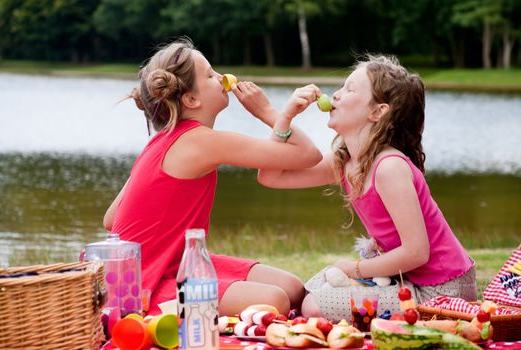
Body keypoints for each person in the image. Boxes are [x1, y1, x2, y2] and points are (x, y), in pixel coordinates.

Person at [103, 37, 322, 316]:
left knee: (292, 287)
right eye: (210, 74)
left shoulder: (161, 141)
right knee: (274, 300)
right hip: (144, 287)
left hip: (177, 265)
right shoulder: (202, 142)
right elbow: (308, 154)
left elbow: (111, 219)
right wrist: (267, 111)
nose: (221, 77)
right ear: (191, 99)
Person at [257, 55, 477, 322]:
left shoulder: (389, 167)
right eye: (341, 87)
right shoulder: (345, 163)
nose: (336, 95)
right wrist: (286, 115)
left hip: (441, 291)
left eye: (350, 89)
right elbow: (270, 176)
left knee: (315, 307)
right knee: (307, 292)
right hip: (407, 280)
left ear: (377, 112)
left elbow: (417, 251)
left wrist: (356, 269)